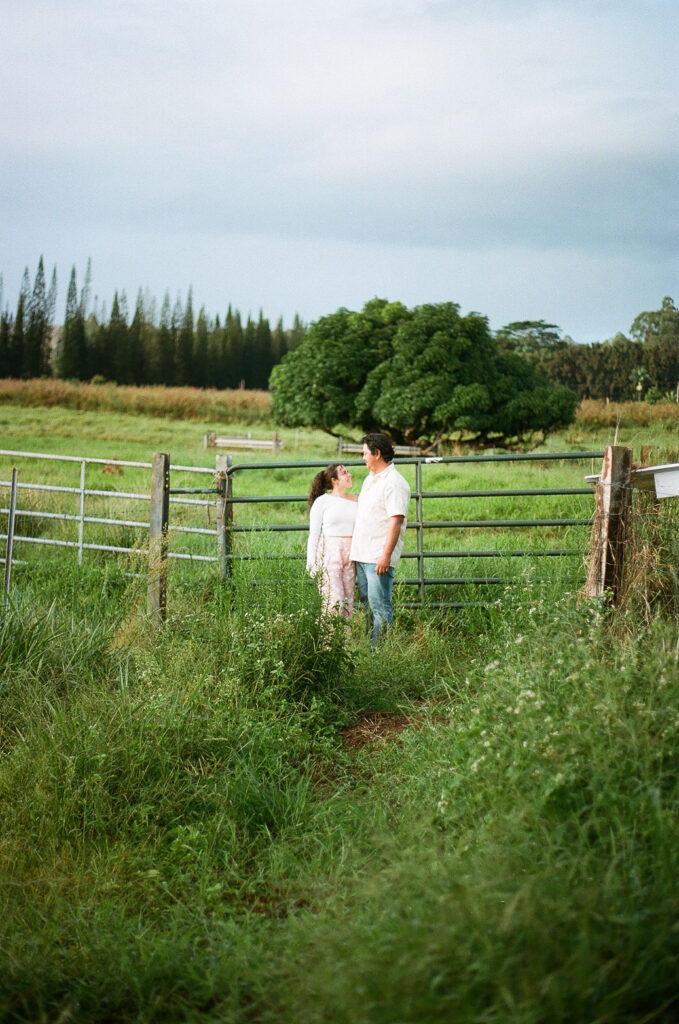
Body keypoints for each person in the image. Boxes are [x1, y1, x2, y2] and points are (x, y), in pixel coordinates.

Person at [350, 433, 411, 645]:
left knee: (380, 607)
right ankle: (371, 647)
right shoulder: (370, 479)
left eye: (365, 453)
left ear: (377, 454)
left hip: (377, 556)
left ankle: (379, 654)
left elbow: (396, 520)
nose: (363, 457)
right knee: (368, 605)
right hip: (363, 553)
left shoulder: (394, 482)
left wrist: (385, 556)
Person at [306, 463, 358, 618]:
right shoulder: (323, 501)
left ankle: (345, 641)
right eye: (344, 473)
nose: (349, 475)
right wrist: (311, 563)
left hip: (350, 554)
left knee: (348, 602)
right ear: (334, 480)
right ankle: (327, 641)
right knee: (334, 601)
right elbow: (314, 533)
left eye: (348, 472)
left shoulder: (357, 500)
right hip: (329, 553)